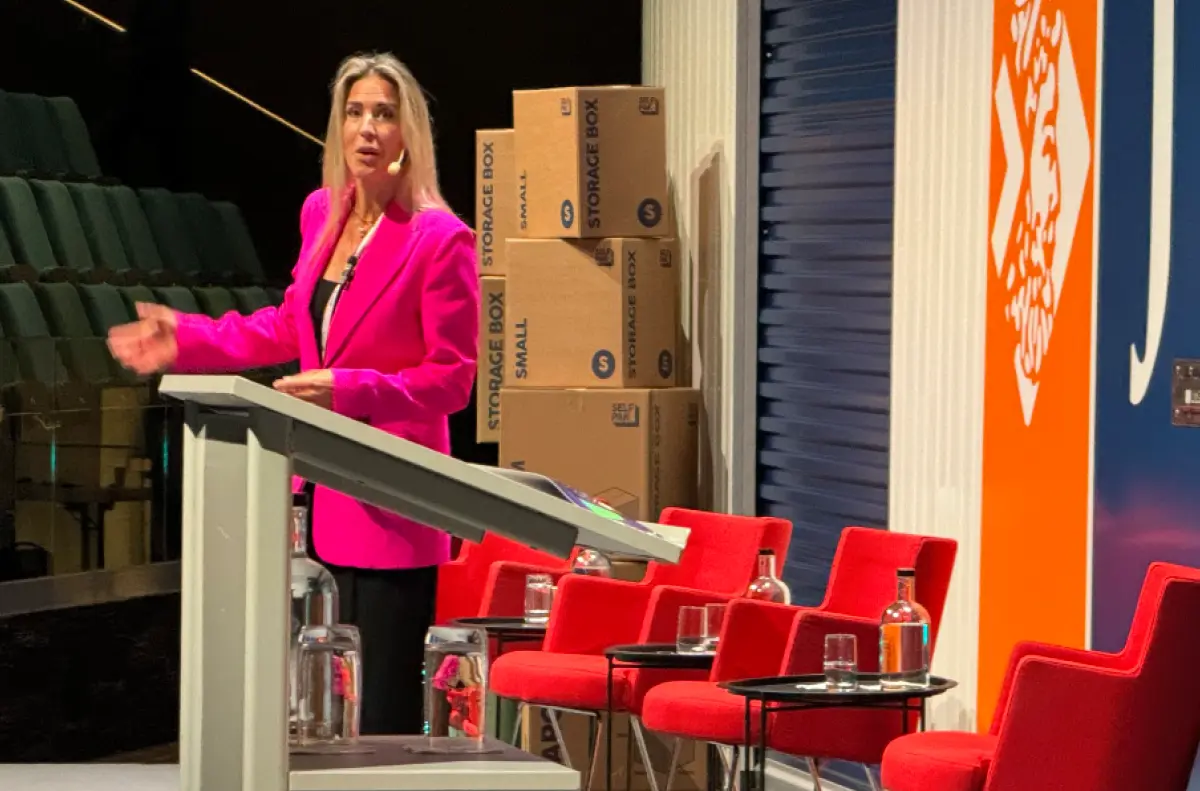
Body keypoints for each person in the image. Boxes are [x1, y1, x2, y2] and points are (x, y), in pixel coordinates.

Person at [107, 52, 479, 735]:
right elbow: (286, 325)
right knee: (326, 714)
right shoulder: (322, 213)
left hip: (397, 504)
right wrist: (185, 337)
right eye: (355, 112)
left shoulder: (440, 240)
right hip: (328, 501)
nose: (367, 128)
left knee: (383, 722)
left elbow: (452, 378)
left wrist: (350, 388)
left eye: (385, 114)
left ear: (409, 134)